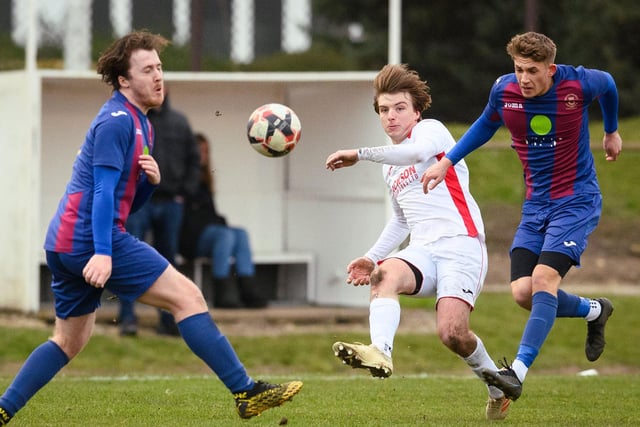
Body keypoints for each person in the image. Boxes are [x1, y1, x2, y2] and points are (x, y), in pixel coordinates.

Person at [0, 31, 301, 425]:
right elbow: (104, 192)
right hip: (89, 237)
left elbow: (126, 201)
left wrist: (148, 184)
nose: (158, 76)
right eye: (147, 70)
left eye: (159, 68)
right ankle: (245, 391)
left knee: (68, 340)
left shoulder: (142, 124)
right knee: (188, 298)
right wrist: (104, 252)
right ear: (124, 80)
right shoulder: (117, 121)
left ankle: (4, 409)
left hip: (65, 242)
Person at [421, 31, 621, 402]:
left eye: (532, 70)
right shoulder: (504, 90)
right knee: (523, 292)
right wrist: (447, 162)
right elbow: (484, 124)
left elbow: (608, 85)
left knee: (544, 279)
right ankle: (595, 311)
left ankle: (516, 372)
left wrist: (611, 131)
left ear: (551, 69)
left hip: (576, 200)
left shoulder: (578, 82)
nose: (524, 78)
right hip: (535, 204)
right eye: (518, 69)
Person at [325, 63, 511, 421]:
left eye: (399, 108)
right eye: (384, 110)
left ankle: (497, 386)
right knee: (382, 276)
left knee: (453, 333)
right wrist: (371, 256)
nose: (391, 116)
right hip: (423, 250)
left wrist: (359, 153)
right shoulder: (388, 166)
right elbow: (400, 220)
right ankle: (380, 351)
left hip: (462, 244)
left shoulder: (431, 131)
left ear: (416, 111)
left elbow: (412, 154)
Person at [118, 86, 201, 336]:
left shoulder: (179, 122)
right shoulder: (135, 122)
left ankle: (168, 321)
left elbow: (194, 160)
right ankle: (127, 319)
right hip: (139, 203)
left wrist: (183, 192)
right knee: (128, 260)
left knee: (168, 262)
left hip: (169, 203)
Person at [179, 132, 267, 308]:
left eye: (205, 151)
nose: (202, 156)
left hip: (209, 233)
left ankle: (248, 290)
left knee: (240, 233)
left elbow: (210, 215)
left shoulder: (205, 182)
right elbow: (193, 219)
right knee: (224, 235)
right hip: (189, 239)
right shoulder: (183, 180)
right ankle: (223, 294)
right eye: (199, 151)